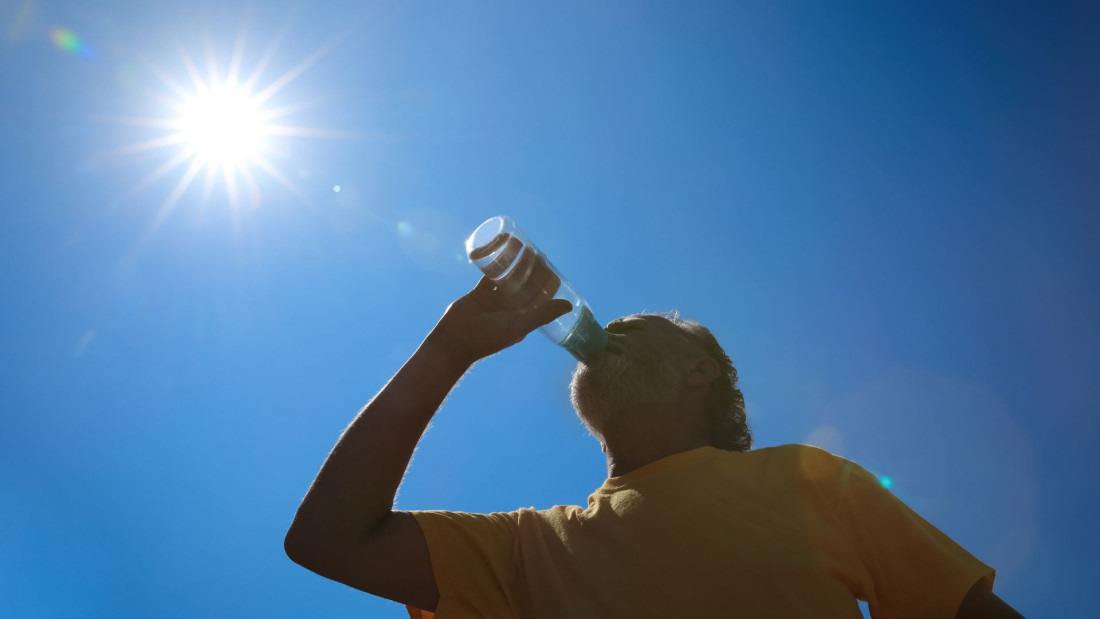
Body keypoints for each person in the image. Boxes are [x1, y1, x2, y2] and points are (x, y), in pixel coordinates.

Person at [284, 277, 1023, 618]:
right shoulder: (529, 548)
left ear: (700, 371)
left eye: (641, 329)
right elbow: (329, 540)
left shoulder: (805, 479)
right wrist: (450, 345)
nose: (611, 329)